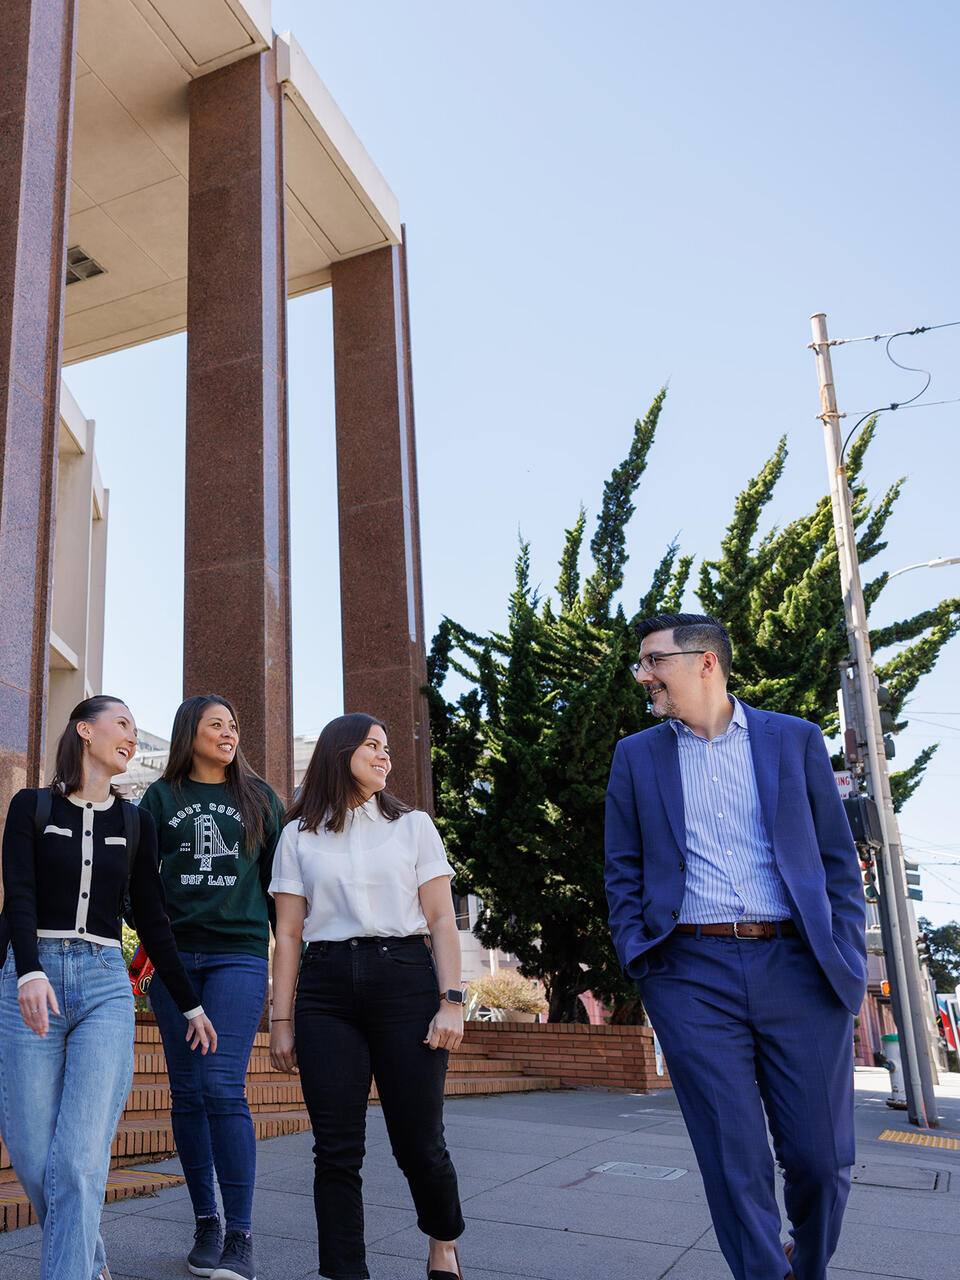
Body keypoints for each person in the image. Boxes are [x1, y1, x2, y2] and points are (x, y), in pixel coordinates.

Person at [604, 614, 867, 1280]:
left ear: (705, 663)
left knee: (821, 1158)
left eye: (652, 661)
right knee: (733, 1154)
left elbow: (837, 862)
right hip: (689, 970)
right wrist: (644, 958)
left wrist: (844, 955)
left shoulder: (795, 740)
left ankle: (804, 1268)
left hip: (798, 965)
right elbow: (623, 867)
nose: (642, 675)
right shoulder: (636, 756)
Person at [0, 695, 216, 1280]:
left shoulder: (135, 822)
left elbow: (152, 918)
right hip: (31, 978)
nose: (129, 734)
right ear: (84, 731)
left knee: (77, 1160)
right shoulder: (31, 807)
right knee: (29, 1150)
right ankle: (89, 1258)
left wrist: (189, 1001)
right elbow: (17, 895)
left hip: (103, 987)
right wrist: (29, 970)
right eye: (120, 723)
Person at [269, 713, 466, 1280]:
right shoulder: (298, 834)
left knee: (420, 1142)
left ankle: (443, 1242)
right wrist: (282, 1019)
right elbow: (286, 933)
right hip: (325, 991)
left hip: (403, 979)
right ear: (339, 752)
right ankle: (344, 1272)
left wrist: (450, 1000)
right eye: (372, 746)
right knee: (334, 1150)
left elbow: (441, 921)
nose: (385, 756)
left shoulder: (413, 826)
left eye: (388, 747)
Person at [139, 695, 284, 1280]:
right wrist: (148, 929)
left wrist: (289, 974)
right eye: (215, 724)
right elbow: (137, 879)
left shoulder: (261, 799)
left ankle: (242, 1235)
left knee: (222, 1085)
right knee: (186, 1093)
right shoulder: (159, 797)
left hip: (237, 958)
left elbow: (282, 887)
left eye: (233, 724)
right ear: (189, 733)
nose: (228, 733)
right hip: (175, 963)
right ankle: (207, 1221)